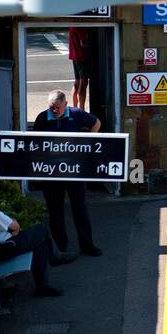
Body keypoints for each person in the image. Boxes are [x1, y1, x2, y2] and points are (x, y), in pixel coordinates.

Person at [33, 90, 103, 256]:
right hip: (51, 173)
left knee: (80, 209)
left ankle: (87, 246)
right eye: (52, 107)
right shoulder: (42, 118)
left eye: (58, 107)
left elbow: (96, 122)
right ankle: (60, 248)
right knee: (55, 211)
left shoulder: (77, 114)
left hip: (74, 171)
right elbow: (34, 142)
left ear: (65, 104)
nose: (54, 111)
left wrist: (88, 142)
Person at [0, 178, 72, 297]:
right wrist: (15, 229)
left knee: (41, 245)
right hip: (5, 247)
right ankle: (56, 257)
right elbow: (15, 226)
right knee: (42, 230)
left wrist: (14, 228)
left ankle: (43, 286)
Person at [68, 27, 91, 111]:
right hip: (82, 57)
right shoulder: (80, 27)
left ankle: (74, 107)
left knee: (77, 82)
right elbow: (83, 43)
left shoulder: (72, 26)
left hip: (74, 56)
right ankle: (81, 109)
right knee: (83, 82)